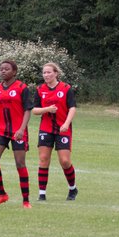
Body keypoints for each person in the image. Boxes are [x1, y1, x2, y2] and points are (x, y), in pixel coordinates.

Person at [0, 59, 34, 208]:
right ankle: (2, 194)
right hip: (0, 130)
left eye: (6, 69)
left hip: (17, 132)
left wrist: (21, 129)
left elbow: (28, 110)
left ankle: (26, 201)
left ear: (14, 72)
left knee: (20, 163)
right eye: (1, 69)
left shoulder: (22, 88)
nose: (3, 71)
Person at [32, 62, 78, 202]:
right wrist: (47, 109)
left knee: (64, 161)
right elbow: (34, 110)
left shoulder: (65, 88)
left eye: (49, 72)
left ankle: (72, 189)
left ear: (56, 73)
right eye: (44, 73)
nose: (46, 75)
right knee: (43, 159)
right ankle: (42, 194)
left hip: (63, 128)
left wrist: (66, 123)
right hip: (46, 129)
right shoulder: (40, 89)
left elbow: (72, 108)